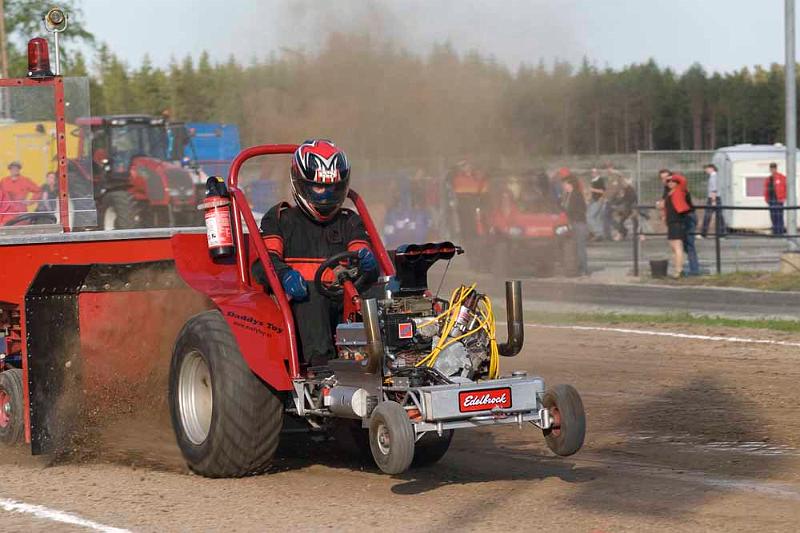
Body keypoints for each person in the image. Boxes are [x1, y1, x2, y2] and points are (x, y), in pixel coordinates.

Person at [258, 139, 378, 368]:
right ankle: (322, 372)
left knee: (391, 291)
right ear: (300, 184)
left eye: (333, 188)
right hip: (297, 304)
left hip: (344, 300)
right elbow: (264, 262)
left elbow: (361, 252)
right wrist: (284, 276)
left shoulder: (349, 220)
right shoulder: (280, 219)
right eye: (319, 187)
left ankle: (402, 359)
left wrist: (368, 265)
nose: (325, 196)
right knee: (311, 295)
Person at [664, 174, 692, 279]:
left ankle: (678, 271)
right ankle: (677, 269)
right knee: (673, 246)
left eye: (673, 181)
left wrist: (671, 176)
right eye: (669, 182)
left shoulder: (679, 190)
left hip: (677, 221)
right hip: (672, 221)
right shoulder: (670, 193)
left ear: (677, 183)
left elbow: (683, 180)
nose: (670, 183)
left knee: (677, 246)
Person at [560, 175, 589, 276]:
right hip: (572, 223)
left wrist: (569, 214)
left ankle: (584, 269)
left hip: (579, 223)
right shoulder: (568, 195)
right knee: (574, 247)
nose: (564, 186)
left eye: (565, 184)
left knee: (580, 247)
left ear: (570, 184)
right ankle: (578, 267)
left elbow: (581, 209)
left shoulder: (576, 195)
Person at [700, 163, 725, 237]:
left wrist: (713, 201)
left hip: (713, 198)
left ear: (711, 168)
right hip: (717, 198)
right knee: (719, 216)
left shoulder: (713, 177)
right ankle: (722, 234)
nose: (706, 171)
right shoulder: (716, 176)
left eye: (706, 169)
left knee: (707, 216)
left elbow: (714, 189)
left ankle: (703, 234)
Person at [764, 162, 787, 235]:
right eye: (771, 168)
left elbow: (786, 188)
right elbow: (766, 189)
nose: (772, 169)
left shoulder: (782, 177)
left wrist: (784, 197)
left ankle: (780, 232)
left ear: (776, 168)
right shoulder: (768, 179)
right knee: (773, 215)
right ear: (770, 169)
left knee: (779, 215)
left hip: (779, 199)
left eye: (774, 168)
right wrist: (766, 198)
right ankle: (775, 231)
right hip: (771, 199)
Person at [586, 168, 607, 240]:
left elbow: (603, 191)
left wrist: (592, 190)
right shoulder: (593, 181)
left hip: (598, 200)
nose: (592, 173)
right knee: (595, 217)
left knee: (589, 216)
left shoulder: (600, 180)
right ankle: (593, 233)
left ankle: (598, 233)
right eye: (592, 172)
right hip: (593, 200)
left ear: (597, 173)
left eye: (594, 172)